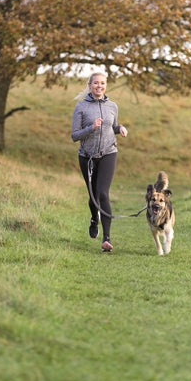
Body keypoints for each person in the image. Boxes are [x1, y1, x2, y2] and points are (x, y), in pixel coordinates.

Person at [71, 72, 128, 252]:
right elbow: (75, 135)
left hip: (108, 153)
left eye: (102, 83)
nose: (99, 86)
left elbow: (112, 127)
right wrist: (91, 127)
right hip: (87, 157)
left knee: (103, 193)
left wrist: (121, 128)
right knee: (93, 196)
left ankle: (107, 238)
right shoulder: (81, 107)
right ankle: (94, 219)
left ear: (105, 86)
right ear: (89, 85)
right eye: (96, 83)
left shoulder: (113, 106)